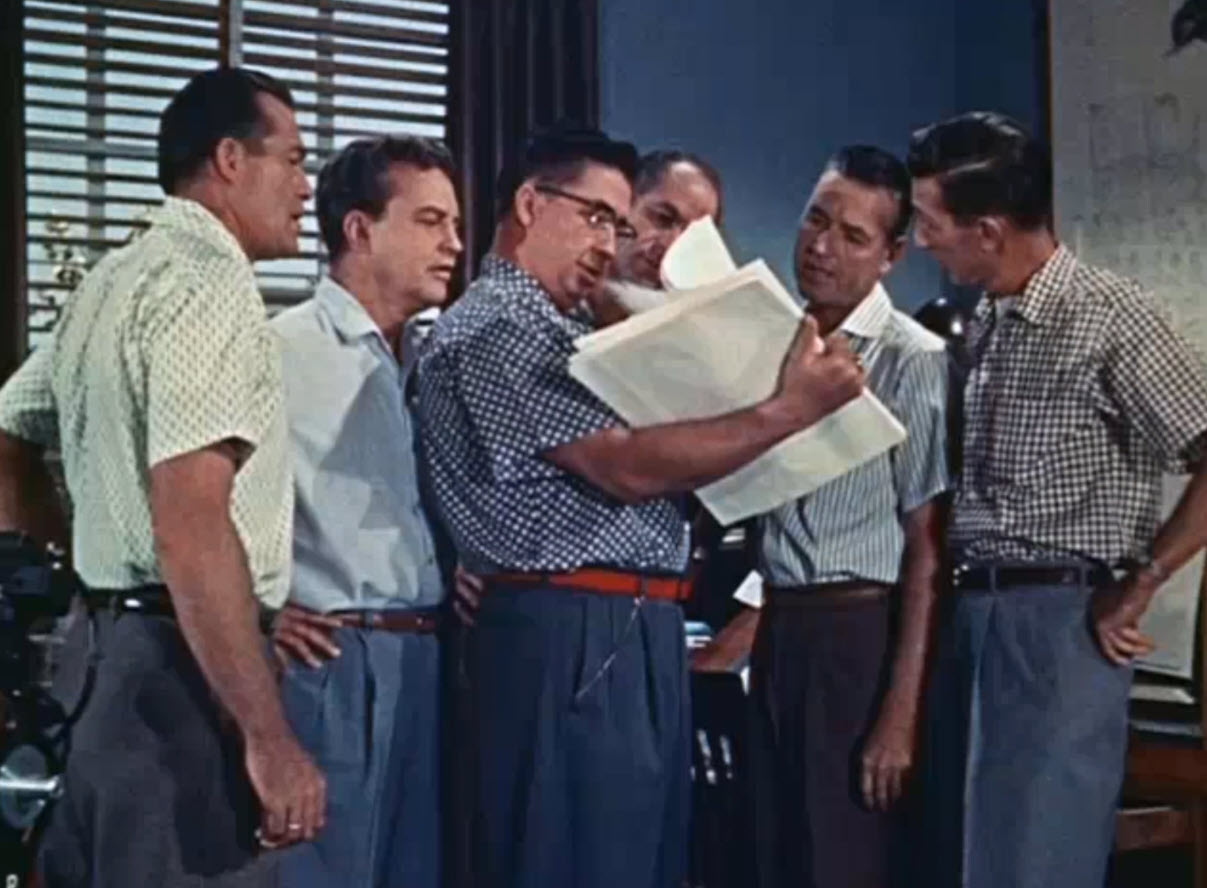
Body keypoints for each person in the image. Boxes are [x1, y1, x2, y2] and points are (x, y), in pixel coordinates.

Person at [415, 124, 865, 888]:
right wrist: (786, 412)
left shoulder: (567, 326)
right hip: (570, 624)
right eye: (596, 217)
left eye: (615, 224)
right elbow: (622, 467)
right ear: (529, 204)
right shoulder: (499, 326)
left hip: (629, 620)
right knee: (570, 858)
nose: (606, 242)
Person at [0, 67, 324, 886]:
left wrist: (74, 548)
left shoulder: (111, 281)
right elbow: (191, 522)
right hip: (181, 679)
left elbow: (7, 431)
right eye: (292, 160)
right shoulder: (210, 286)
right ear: (229, 160)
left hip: (98, 671)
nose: (305, 188)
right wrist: (269, 739)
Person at [908, 111, 1207, 888]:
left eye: (929, 223)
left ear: (986, 231)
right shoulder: (987, 324)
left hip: (1058, 628)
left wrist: (1142, 581)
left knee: (1037, 864)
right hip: (971, 619)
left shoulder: (1111, 316)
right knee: (959, 860)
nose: (919, 242)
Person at [749, 146, 949, 888]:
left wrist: (899, 713)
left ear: (891, 255)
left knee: (841, 860)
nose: (821, 247)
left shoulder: (911, 359)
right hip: (780, 628)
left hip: (858, 636)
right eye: (815, 220)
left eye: (853, 236)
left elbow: (928, 548)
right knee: (769, 856)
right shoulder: (774, 340)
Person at [268, 135, 462, 888]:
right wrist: (257, 610)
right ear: (359, 229)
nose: (454, 245)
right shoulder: (279, 351)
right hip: (329, 661)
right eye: (430, 222)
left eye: (454, 224)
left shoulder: (430, 357)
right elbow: (191, 496)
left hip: (427, 657)